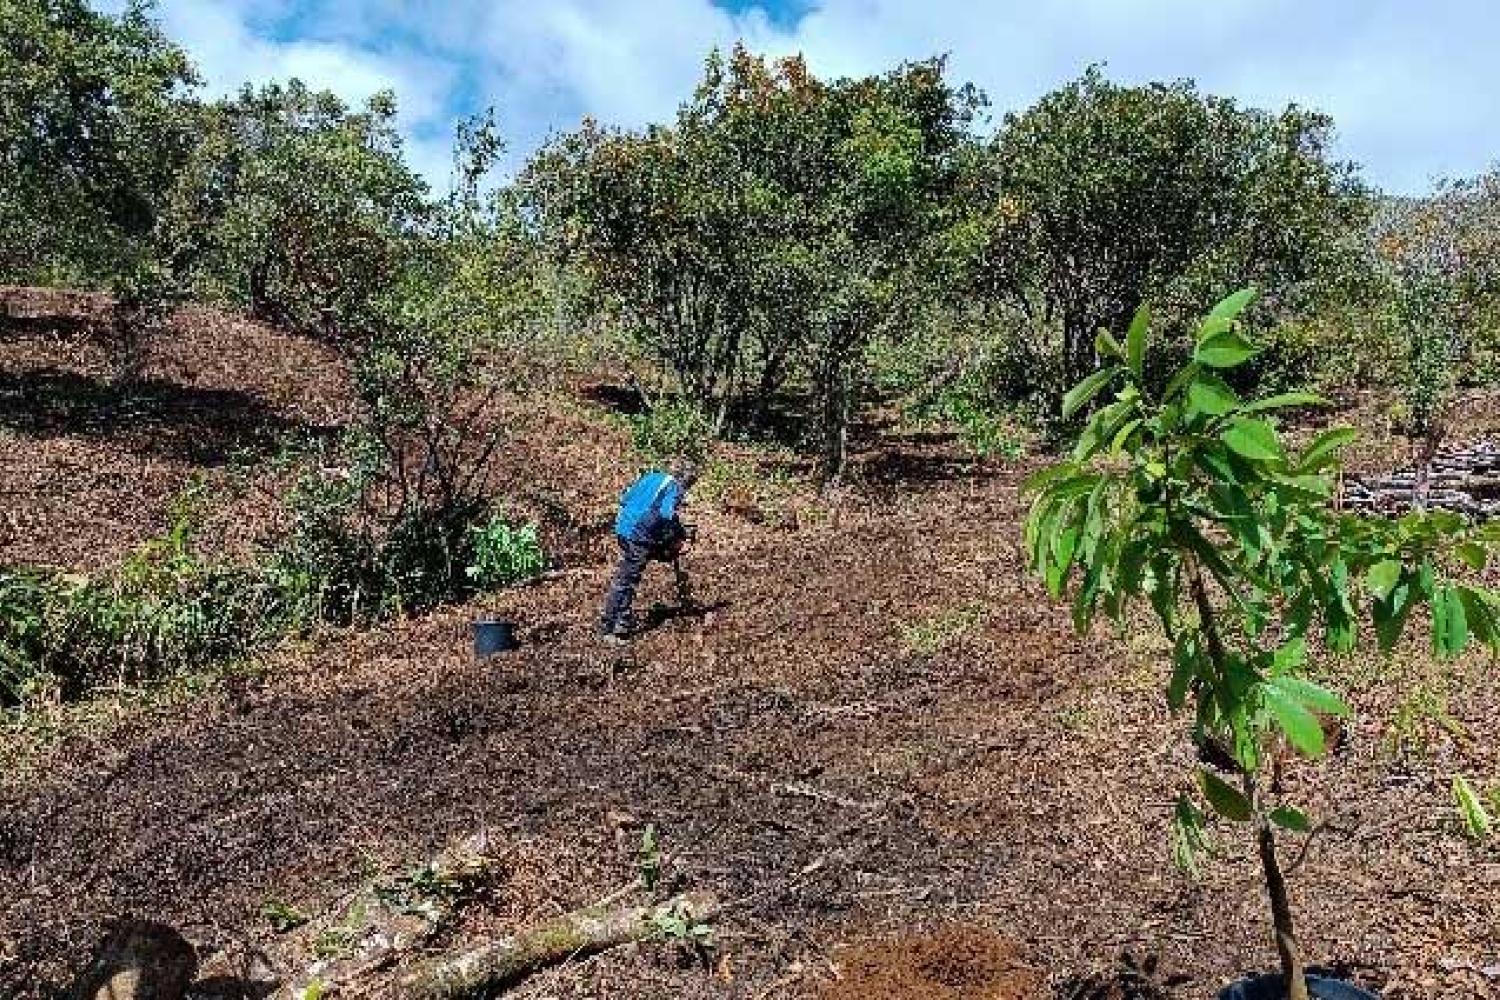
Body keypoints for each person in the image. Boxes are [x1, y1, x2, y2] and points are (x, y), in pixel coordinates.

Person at [599, 461, 699, 641]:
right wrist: (676, 540)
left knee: (630, 575)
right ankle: (609, 627)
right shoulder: (674, 487)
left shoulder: (652, 476)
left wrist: (677, 532)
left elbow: (625, 498)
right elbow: (665, 515)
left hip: (623, 528)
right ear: (687, 482)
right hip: (638, 535)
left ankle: (623, 619)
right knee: (626, 580)